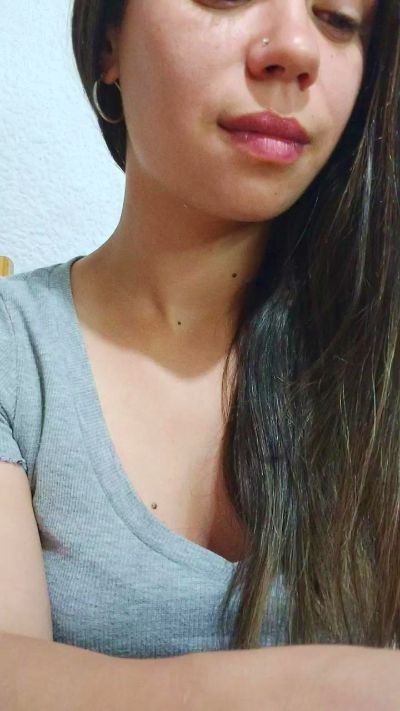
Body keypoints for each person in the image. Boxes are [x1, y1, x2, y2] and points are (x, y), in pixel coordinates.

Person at [1, 0, 400, 708]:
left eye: (338, 19)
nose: (296, 49)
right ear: (108, 43)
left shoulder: (381, 363)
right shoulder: (17, 346)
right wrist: (331, 687)